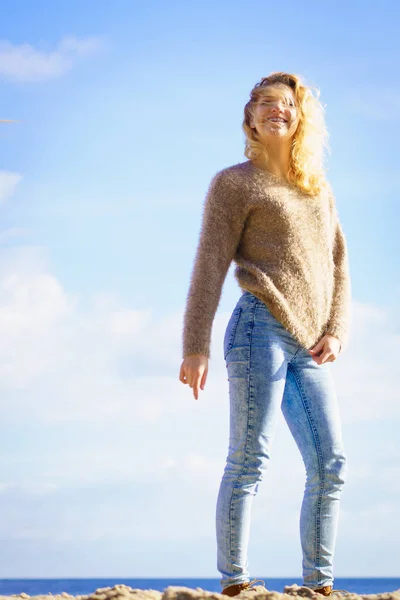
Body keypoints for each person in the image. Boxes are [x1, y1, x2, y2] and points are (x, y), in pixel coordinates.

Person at [179, 72, 351, 597]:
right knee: (249, 457)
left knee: (331, 464)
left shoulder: (317, 189)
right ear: (250, 118)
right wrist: (195, 345)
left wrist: (337, 330)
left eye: (287, 104)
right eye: (265, 103)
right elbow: (209, 266)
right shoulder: (234, 184)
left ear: (300, 118)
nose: (277, 110)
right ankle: (235, 582)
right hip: (259, 329)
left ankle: (318, 585)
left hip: (310, 344)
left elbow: (339, 263)